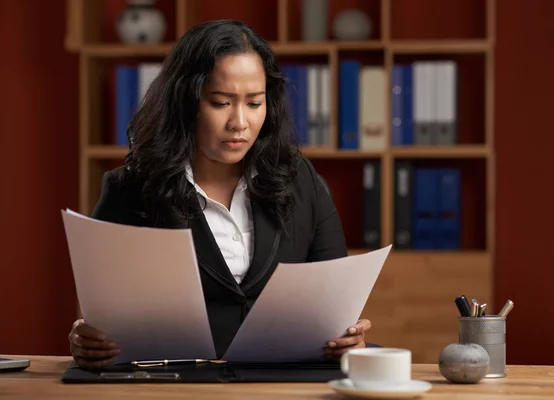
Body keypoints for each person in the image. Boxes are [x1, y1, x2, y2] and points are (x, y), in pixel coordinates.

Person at [68, 19, 373, 369]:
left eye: (254, 104)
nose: (239, 123)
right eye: (221, 103)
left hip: (285, 384)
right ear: (186, 102)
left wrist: (348, 339)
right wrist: (86, 339)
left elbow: (336, 307)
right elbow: (97, 317)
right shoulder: (131, 190)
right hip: (174, 388)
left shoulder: (300, 179)